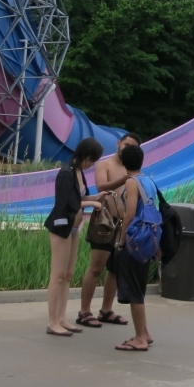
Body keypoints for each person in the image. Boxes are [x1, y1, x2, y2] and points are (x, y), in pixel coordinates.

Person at [76, 132, 141, 329]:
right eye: (126, 145)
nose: (127, 150)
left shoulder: (131, 167)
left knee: (114, 269)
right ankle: (84, 311)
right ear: (119, 143)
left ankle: (106, 309)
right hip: (104, 222)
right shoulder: (105, 164)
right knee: (96, 267)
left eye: (133, 148)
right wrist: (125, 180)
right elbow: (101, 185)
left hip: (123, 223)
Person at [43, 138, 104, 335]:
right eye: (91, 160)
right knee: (58, 274)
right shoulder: (66, 173)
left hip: (74, 228)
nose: (91, 165)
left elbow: (80, 197)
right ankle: (52, 321)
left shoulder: (78, 173)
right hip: (62, 227)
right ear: (85, 155)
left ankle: (61, 318)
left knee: (68, 275)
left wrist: (97, 198)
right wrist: (90, 204)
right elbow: (65, 203)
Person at [111, 144, 159, 352]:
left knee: (134, 291)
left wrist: (121, 241)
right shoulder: (148, 180)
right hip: (148, 239)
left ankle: (139, 338)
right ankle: (145, 332)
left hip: (135, 239)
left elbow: (129, 214)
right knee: (139, 286)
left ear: (122, 162)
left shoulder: (131, 183)